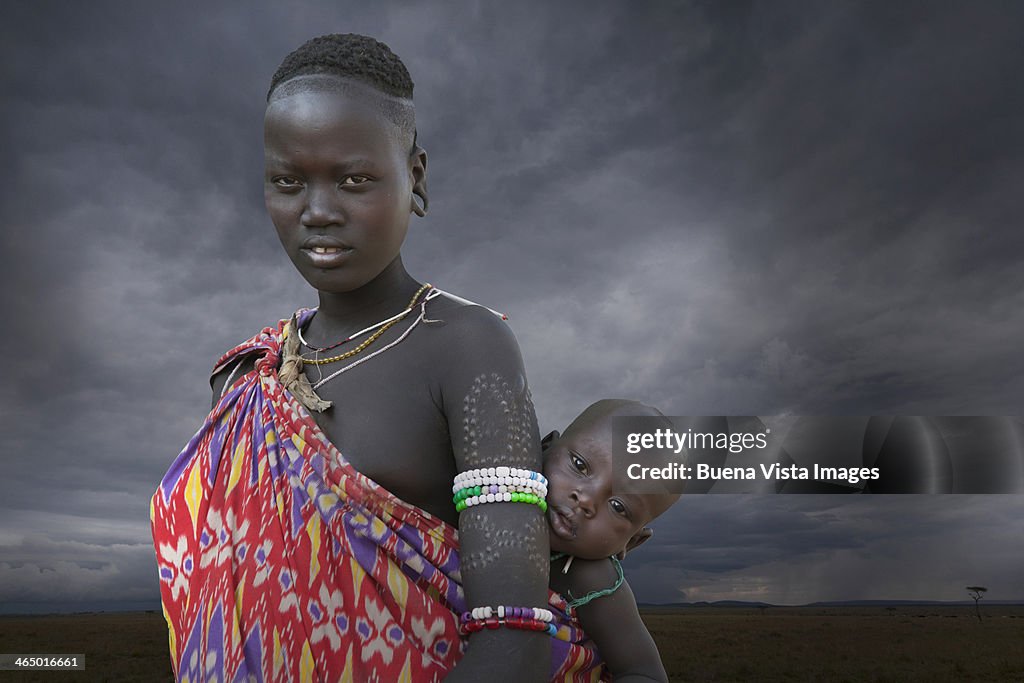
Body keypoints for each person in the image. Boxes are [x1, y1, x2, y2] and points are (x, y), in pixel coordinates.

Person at [151, 33, 564, 682]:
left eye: (355, 179)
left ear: (416, 175)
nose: (317, 211)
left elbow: (515, 636)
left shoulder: (466, 343)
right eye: (288, 181)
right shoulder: (244, 376)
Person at [538, 400, 678, 683]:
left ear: (631, 543)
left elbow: (645, 674)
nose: (587, 500)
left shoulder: (594, 580)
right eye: (579, 465)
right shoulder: (477, 497)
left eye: (617, 506)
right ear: (545, 446)